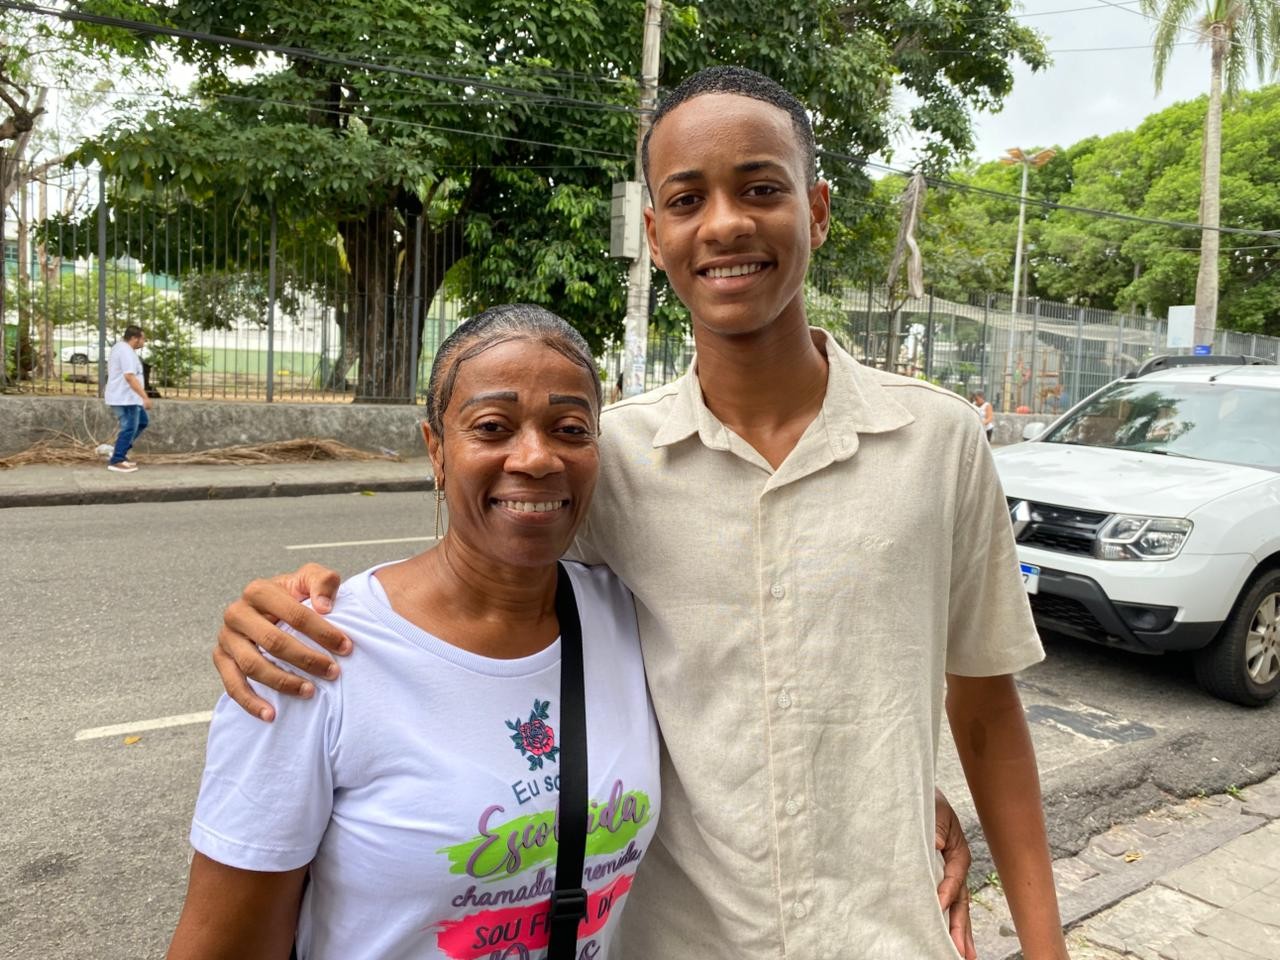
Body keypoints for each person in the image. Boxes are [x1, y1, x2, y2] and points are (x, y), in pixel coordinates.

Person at [214, 67, 1067, 959]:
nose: (727, 222)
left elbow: (982, 708)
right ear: (656, 236)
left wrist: (1043, 943)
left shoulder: (937, 441)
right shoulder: (608, 460)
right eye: (688, 198)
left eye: (761, 188)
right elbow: (466, 598)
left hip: (889, 937)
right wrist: (301, 609)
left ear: (815, 211)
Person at [166, 305, 661, 960]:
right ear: (436, 448)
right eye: (493, 426)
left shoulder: (632, 620)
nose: (537, 457)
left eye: (570, 429)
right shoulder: (309, 655)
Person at [104, 325, 151, 472]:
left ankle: (119, 451)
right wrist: (145, 397)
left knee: (142, 422)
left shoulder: (124, 349)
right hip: (125, 398)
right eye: (143, 338)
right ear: (134, 338)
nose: (144, 342)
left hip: (129, 397)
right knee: (129, 427)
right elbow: (129, 376)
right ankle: (117, 460)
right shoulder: (125, 351)